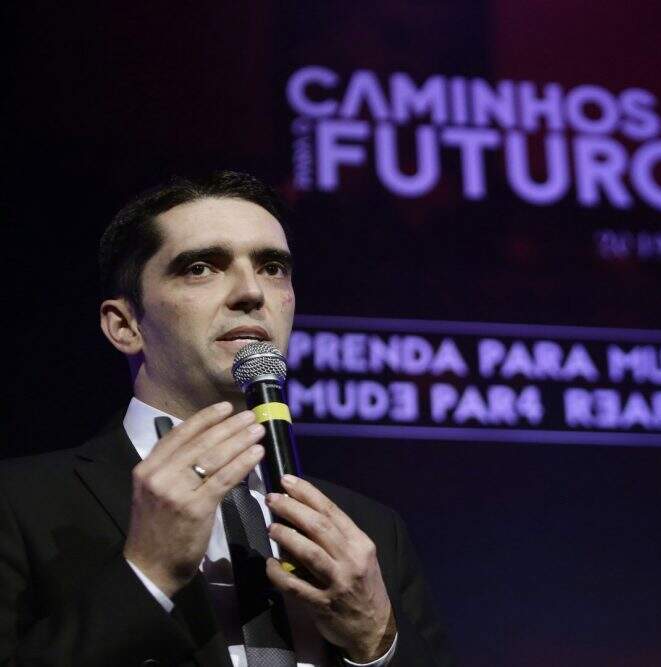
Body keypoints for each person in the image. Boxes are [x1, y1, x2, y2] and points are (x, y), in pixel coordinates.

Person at [0, 172, 454, 666]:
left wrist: (376, 642)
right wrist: (146, 573)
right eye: (200, 268)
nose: (251, 292)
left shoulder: (371, 530)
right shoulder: (20, 503)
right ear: (125, 325)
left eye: (272, 268)